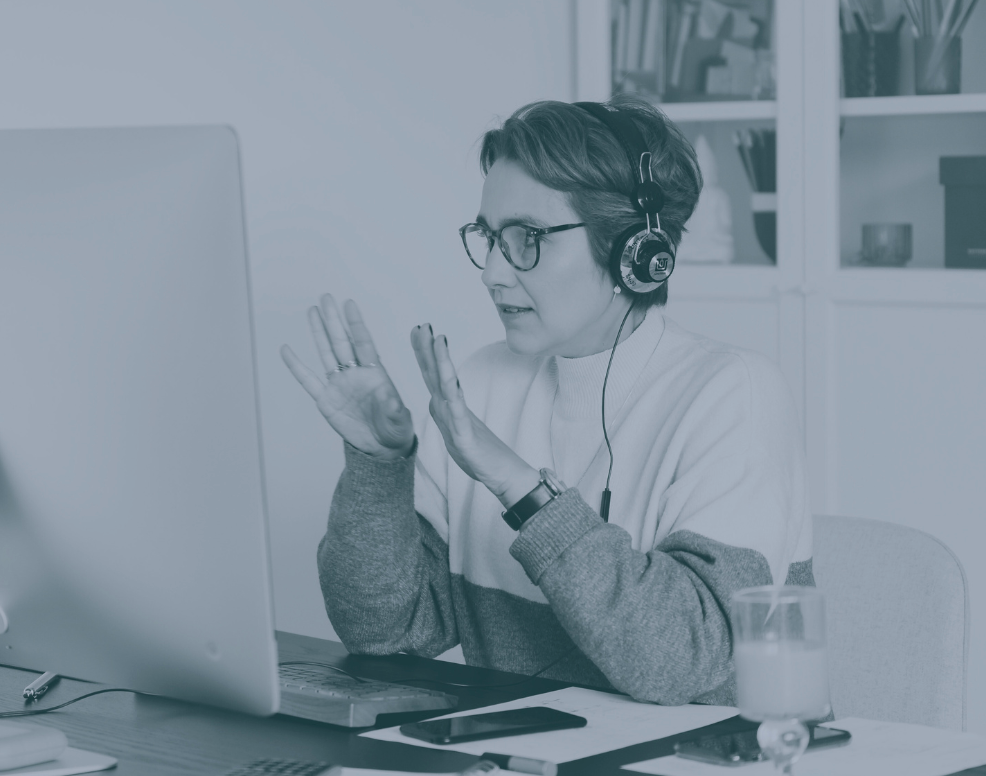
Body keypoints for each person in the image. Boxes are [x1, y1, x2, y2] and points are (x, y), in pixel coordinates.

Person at [280, 97, 812, 707]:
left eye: (527, 238)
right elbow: (385, 630)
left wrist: (520, 487)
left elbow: (684, 663)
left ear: (632, 250)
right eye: (489, 238)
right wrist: (379, 465)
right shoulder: (480, 383)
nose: (493, 274)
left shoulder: (732, 393)